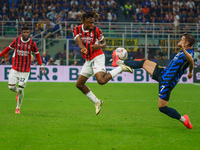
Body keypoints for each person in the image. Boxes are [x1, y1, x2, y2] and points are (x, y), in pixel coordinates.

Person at [112, 33, 195, 129]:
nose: (179, 41)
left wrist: (184, 51)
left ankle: (184, 120)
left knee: (162, 108)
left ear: (187, 43)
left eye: (182, 40)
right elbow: (190, 63)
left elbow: (191, 60)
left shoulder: (189, 52)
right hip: (163, 73)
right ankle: (119, 62)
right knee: (144, 62)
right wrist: (190, 72)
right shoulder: (182, 51)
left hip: (167, 81)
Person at [72, 10, 132, 115]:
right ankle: (97, 102)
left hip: (97, 56)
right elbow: (79, 42)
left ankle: (121, 67)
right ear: (84, 22)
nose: (92, 25)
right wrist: (82, 48)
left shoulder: (97, 31)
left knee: (101, 81)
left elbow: (104, 43)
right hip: (88, 59)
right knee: (79, 84)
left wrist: (98, 46)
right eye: (90, 23)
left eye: (93, 22)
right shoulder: (76, 29)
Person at [0, 26, 45, 114]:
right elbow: (7, 49)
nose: (25, 34)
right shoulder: (16, 41)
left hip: (25, 70)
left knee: (21, 88)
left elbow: (37, 54)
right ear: (21, 33)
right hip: (15, 68)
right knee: (11, 87)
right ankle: (18, 92)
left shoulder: (32, 43)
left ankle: (18, 108)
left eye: (27, 32)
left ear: (29, 33)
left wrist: (41, 65)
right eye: (24, 32)